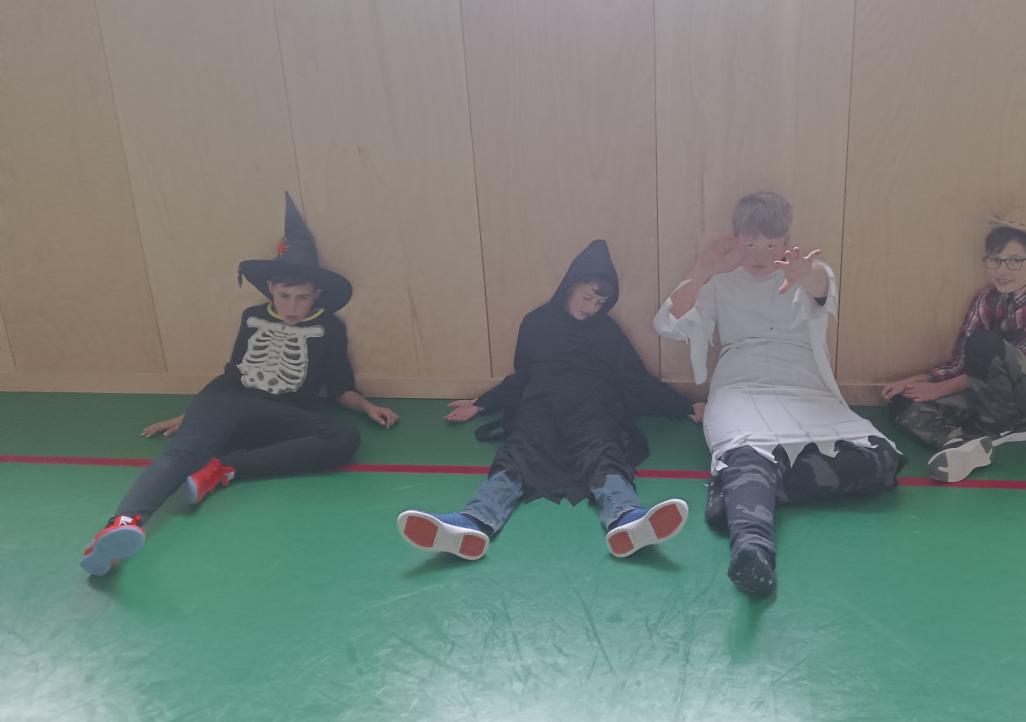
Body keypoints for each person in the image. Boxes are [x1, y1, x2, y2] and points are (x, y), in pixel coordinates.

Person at [79, 193, 398, 576]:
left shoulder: (329, 327)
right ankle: (120, 525)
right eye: (283, 296)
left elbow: (340, 386)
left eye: (302, 298)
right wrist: (193, 416)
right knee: (183, 453)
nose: (292, 307)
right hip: (229, 400)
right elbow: (234, 373)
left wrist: (367, 406)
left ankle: (225, 469)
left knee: (344, 438)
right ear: (270, 289)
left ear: (316, 295)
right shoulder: (251, 316)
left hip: (281, 414)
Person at [654, 192, 903, 596]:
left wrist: (809, 276)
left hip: (803, 382)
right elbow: (668, 325)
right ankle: (753, 549)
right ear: (736, 239)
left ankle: (743, 489)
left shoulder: (805, 270)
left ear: (786, 240)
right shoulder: (719, 280)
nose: (760, 255)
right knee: (746, 453)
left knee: (883, 460)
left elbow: (822, 289)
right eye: (750, 244)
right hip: (741, 382)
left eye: (771, 245)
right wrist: (701, 271)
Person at [398, 240, 701, 561]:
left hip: (593, 407)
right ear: (570, 286)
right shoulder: (536, 323)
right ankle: (471, 522)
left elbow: (635, 378)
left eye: (600, 302)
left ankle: (627, 519)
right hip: (541, 405)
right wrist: (480, 404)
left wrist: (684, 406)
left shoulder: (607, 331)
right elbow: (522, 377)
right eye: (587, 297)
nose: (592, 308)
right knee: (517, 454)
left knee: (602, 452)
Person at [882, 211, 1026, 483]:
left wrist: (939, 389)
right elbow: (962, 361)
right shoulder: (986, 300)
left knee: (984, 343)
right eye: (994, 260)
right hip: (991, 394)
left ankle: (1010, 426)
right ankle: (958, 444)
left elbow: (1011, 359)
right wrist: (922, 379)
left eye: (1014, 261)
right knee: (903, 401)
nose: (1001, 270)